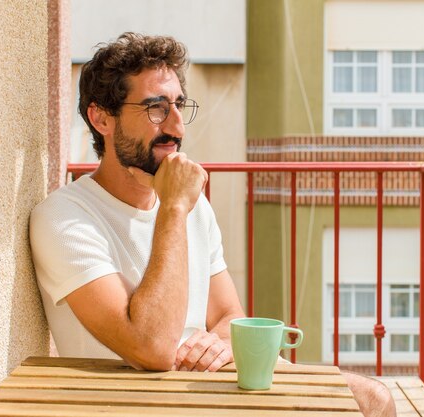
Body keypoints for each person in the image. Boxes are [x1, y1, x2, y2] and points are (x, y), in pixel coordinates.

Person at [29, 32, 396, 416]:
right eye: (155, 108)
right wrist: (172, 208)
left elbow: (227, 316)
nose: (176, 127)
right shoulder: (65, 218)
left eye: (179, 106)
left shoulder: (194, 206)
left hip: (215, 383)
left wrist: (217, 344)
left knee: (375, 399)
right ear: (101, 117)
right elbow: (150, 346)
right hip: (148, 401)